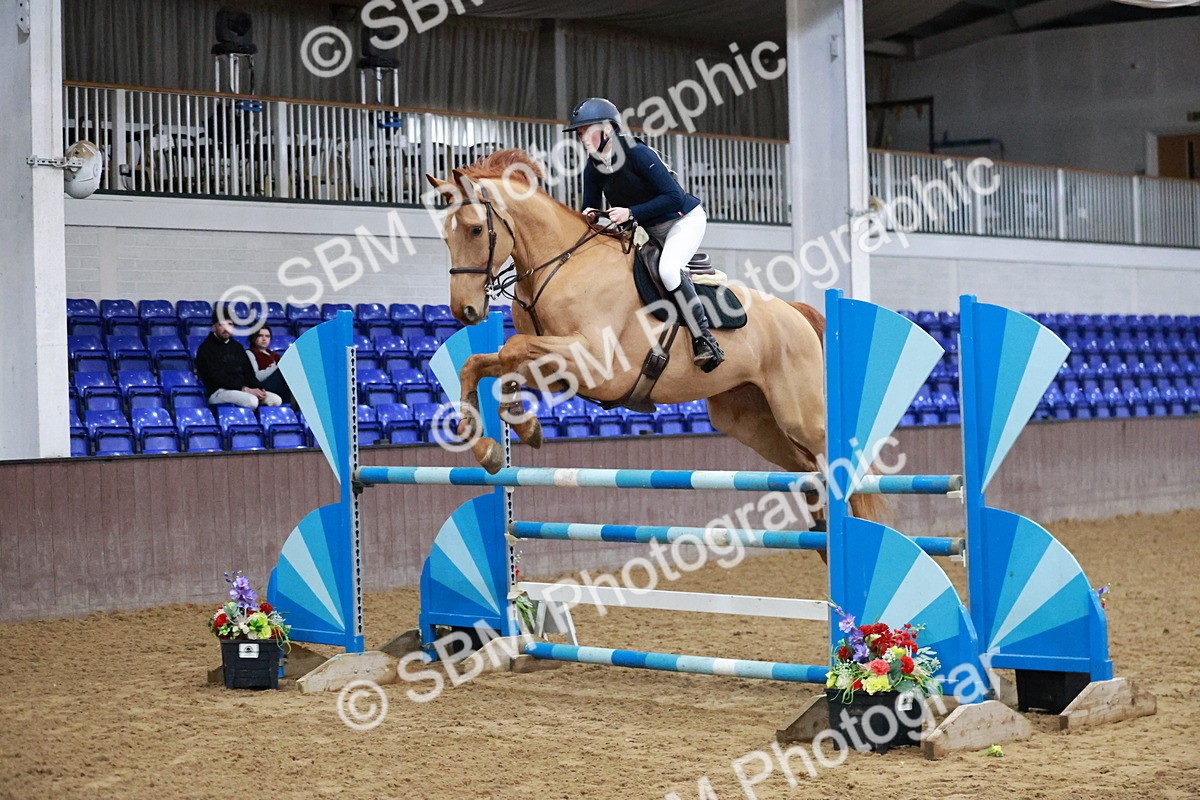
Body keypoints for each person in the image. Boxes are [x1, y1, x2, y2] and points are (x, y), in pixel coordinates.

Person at [565, 96, 724, 373]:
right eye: (580, 134)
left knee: (669, 271)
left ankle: (705, 340)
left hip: (683, 221)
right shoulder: (593, 167)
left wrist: (631, 213)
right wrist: (589, 217)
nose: (583, 139)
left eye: (587, 131)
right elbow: (588, 210)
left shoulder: (637, 153)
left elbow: (674, 196)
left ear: (608, 129)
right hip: (648, 229)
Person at [194, 309, 282, 409]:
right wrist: (243, 389)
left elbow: (249, 373)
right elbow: (216, 378)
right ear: (214, 326)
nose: (226, 329)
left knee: (275, 400)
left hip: (241, 390)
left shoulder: (237, 347)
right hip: (218, 391)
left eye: (230, 324)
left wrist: (258, 389)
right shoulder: (205, 348)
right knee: (251, 401)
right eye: (222, 325)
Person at [246, 325, 292, 405]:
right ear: (253, 338)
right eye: (260, 336)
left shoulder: (274, 355)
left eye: (267, 336)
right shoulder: (250, 353)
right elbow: (256, 377)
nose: (264, 339)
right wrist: (274, 367)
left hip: (280, 387)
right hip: (262, 386)